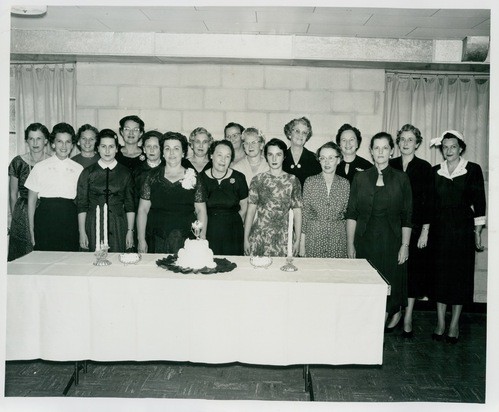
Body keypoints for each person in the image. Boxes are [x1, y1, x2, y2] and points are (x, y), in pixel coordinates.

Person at [346, 132, 412, 329]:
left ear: (391, 151)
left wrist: (405, 245)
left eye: (385, 148)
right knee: (366, 285)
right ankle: (369, 326)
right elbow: (352, 213)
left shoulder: (401, 178)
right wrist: (350, 244)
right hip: (365, 241)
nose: (380, 152)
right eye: (376, 148)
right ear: (371, 152)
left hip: (391, 241)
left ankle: (377, 328)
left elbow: (407, 215)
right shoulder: (360, 178)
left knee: (388, 284)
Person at [428, 130, 486, 344]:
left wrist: (477, 232)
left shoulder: (472, 169)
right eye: (445, 147)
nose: (449, 150)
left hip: (462, 231)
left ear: (460, 148)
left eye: (453, 146)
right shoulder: (435, 171)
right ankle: (440, 322)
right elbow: (431, 204)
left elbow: (479, 202)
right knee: (440, 276)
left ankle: (454, 325)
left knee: (459, 277)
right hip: (440, 231)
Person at [390, 124, 433, 338]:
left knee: (413, 273)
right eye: (402, 139)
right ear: (398, 142)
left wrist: (425, 230)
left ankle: (408, 316)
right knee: (395, 271)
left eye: (410, 140)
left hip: (415, 229)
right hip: (392, 227)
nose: (406, 143)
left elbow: (429, 202)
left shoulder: (424, 168)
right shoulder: (390, 164)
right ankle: (396, 311)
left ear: (417, 144)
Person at [137, 132, 208, 254]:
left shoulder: (194, 177)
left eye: (176, 148)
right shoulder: (151, 176)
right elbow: (143, 210)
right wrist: (141, 239)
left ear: (183, 153)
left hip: (185, 240)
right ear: (163, 152)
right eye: (167, 148)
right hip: (156, 238)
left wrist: (201, 238)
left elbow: (201, 210)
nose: (171, 153)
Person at [25, 122, 84, 251]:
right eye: (59, 141)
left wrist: (82, 231)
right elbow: (31, 201)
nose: (64, 146)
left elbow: (82, 202)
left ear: (72, 145)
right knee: (45, 258)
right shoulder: (40, 167)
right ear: (52, 144)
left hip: (69, 218)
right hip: (45, 218)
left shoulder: (79, 169)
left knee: (68, 258)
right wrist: (31, 230)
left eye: (68, 142)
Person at [76, 129, 135, 253]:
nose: (107, 151)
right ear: (97, 148)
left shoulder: (125, 173)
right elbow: (82, 204)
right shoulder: (88, 172)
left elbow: (130, 205)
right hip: (93, 224)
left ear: (117, 149)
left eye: (111, 146)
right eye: (103, 146)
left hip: (118, 224)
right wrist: (82, 232)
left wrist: (130, 231)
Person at [244, 138, 303, 257]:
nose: (274, 159)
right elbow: (250, 211)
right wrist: (245, 238)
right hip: (260, 236)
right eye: (270, 155)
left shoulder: (293, 180)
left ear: (284, 156)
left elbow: (297, 212)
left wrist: (297, 240)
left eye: (278, 155)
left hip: (283, 238)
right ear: (266, 156)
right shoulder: (258, 180)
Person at [8, 123, 50, 261]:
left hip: (45, 209)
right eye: (31, 139)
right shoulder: (18, 162)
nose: (35, 143)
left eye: (39, 138)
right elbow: (13, 193)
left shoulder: (51, 162)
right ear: (26, 141)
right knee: (23, 252)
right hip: (23, 212)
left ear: (46, 141)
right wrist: (15, 217)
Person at [199, 140, 248, 255]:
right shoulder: (201, 178)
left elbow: (244, 206)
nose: (223, 160)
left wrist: (232, 223)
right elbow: (199, 209)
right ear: (211, 155)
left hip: (233, 232)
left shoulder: (239, 178)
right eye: (219, 155)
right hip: (209, 230)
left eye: (227, 156)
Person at [302, 142, 350, 258]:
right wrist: (302, 243)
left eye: (331, 158)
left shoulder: (345, 184)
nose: (326, 162)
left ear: (338, 160)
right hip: (314, 239)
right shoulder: (310, 182)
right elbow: (305, 214)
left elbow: (346, 215)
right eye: (322, 158)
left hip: (337, 240)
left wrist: (349, 244)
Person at [282, 116, 321, 188]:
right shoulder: (281, 157)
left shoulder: (314, 159)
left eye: (304, 133)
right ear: (290, 134)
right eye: (297, 131)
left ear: (307, 137)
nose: (300, 135)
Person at [132, 130, 165, 209]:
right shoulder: (137, 171)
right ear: (144, 149)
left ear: (161, 149)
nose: (152, 150)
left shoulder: (167, 169)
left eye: (155, 147)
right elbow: (133, 198)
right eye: (148, 146)